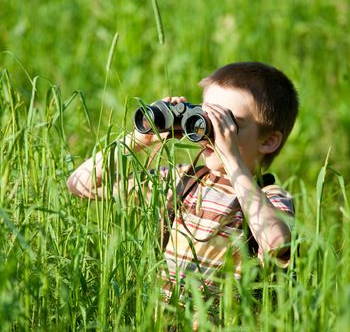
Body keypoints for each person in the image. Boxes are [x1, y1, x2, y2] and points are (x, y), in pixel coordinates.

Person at [67, 62, 298, 307]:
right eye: (207, 118)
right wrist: (138, 139)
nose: (214, 133)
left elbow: (276, 244)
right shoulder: (182, 181)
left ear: (269, 141)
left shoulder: (269, 197)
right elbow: (81, 184)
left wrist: (232, 160)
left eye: (229, 125)